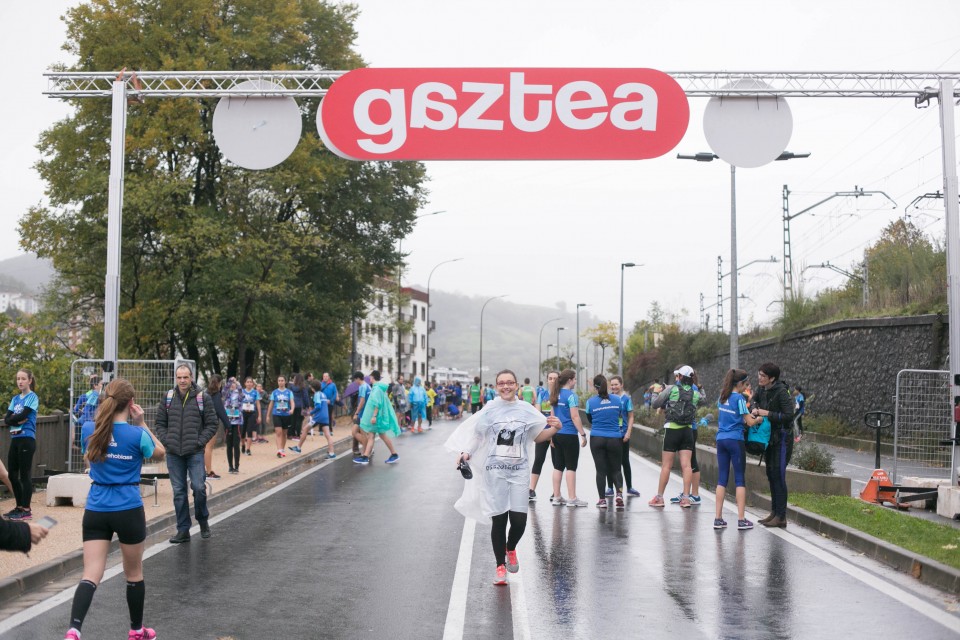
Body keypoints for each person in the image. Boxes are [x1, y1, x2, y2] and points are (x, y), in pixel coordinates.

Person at [64, 377, 165, 640]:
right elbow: (161, 452)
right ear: (131, 403)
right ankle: (136, 630)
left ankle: (74, 629)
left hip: (97, 508)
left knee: (90, 574)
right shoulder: (137, 434)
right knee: (134, 573)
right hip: (128, 508)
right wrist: (142, 422)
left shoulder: (90, 429)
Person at [447, 369, 563, 585]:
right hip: (495, 472)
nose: (506, 386)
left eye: (510, 383)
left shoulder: (526, 410)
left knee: (519, 521)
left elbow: (538, 436)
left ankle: (510, 548)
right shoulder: (489, 410)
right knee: (499, 520)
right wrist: (467, 453)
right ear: (497, 386)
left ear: (517, 385)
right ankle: (500, 566)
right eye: (501, 383)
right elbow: (479, 437)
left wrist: (555, 430)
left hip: (519, 472)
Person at [155, 364, 218, 543]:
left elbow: (212, 424)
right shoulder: (168, 397)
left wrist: (199, 441)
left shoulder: (202, 398)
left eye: (185, 377)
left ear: (191, 377)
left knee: (199, 487)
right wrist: (167, 441)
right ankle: (183, 530)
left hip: (195, 452)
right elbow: (160, 423)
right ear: (176, 378)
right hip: (174, 453)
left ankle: (202, 519)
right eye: (179, 377)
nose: (182, 380)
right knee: (179, 492)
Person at [648, 365, 701, 508]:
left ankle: (659, 498)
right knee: (687, 465)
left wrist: (655, 392)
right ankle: (685, 498)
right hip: (688, 431)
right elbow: (701, 401)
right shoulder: (696, 394)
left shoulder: (671, 389)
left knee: (666, 466)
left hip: (672, 430)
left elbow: (655, 404)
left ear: (680, 377)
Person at [714, 368, 760, 530]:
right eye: (745, 384)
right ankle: (741, 520)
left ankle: (718, 519)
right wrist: (760, 417)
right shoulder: (739, 399)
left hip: (721, 440)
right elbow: (749, 421)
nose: (746, 387)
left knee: (722, 479)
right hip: (735, 440)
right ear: (739, 383)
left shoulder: (722, 397)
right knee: (740, 479)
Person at [752, 362, 795, 528]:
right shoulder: (762, 389)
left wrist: (766, 413)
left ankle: (781, 516)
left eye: (763, 376)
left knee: (778, 475)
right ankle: (774, 512)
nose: (760, 378)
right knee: (770, 473)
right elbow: (754, 400)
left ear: (772, 378)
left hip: (782, 438)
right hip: (768, 438)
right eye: (759, 375)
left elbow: (788, 416)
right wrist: (756, 408)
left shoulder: (781, 392)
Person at [3, 369, 40, 520]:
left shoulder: (32, 397)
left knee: (24, 475)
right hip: (15, 439)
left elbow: (24, 414)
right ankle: (18, 507)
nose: (20, 381)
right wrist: (16, 420)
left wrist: (15, 418)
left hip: (27, 438)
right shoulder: (15, 399)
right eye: (18, 378)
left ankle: (26, 509)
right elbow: (7, 419)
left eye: (23, 378)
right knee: (12, 474)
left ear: (29, 380)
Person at [585, 375, 626, 510]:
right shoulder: (617, 400)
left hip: (597, 438)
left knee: (600, 470)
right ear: (606, 385)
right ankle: (619, 494)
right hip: (614, 438)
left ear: (595, 387)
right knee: (616, 469)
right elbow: (620, 414)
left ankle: (602, 500)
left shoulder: (590, 402)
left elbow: (590, 419)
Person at [550, 369, 588, 507]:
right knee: (571, 467)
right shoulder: (571, 396)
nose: (576, 381)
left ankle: (557, 496)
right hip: (569, 434)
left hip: (557, 433)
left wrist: (551, 435)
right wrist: (583, 434)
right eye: (575, 379)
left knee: (558, 466)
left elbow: (552, 416)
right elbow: (575, 416)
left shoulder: (555, 394)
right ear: (570, 380)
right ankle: (572, 498)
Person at [356, 370, 401, 464]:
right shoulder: (378, 388)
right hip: (378, 417)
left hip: (377, 418)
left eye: (370, 377)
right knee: (373, 435)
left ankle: (393, 454)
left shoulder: (377, 389)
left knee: (378, 435)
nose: (370, 379)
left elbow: (377, 404)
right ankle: (366, 456)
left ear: (373, 377)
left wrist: (374, 416)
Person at [528, 370, 558, 501]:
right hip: (543, 432)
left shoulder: (561, 395)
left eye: (555, 378)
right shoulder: (542, 394)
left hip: (557, 432)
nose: (552, 380)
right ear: (547, 380)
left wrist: (553, 432)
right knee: (539, 459)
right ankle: (531, 489)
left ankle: (555, 492)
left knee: (557, 463)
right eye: (550, 378)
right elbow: (538, 413)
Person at [608, 375, 640, 497]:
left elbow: (631, 416)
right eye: (612, 385)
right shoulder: (608, 398)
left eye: (616, 384)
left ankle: (629, 487)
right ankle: (610, 488)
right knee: (610, 462)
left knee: (624, 461)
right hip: (611, 434)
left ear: (621, 385)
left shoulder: (626, 399)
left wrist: (628, 432)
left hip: (623, 434)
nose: (613, 387)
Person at [291, 380, 336, 458]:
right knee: (328, 435)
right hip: (325, 417)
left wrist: (310, 413)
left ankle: (298, 448)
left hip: (318, 417)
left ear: (312, 388)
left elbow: (318, 406)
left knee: (305, 429)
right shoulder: (323, 394)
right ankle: (332, 453)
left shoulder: (317, 395)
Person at [205, 374, 229, 479]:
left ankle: (202, 470)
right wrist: (228, 424)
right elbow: (220, 410)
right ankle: (209, 471)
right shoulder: (216, 395)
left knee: (203, 448)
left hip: (203, 423)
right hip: (212, 424)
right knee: (208, 448)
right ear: (219, 383)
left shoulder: (205, 393)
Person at [268, 375, 295, 459]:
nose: (280, 382)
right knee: (278, 432)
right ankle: (279, 450)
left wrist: (292, 409)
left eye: (282, 380)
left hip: (286, 415)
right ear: (277, 382)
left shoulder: (289, 392)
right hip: (277, 414)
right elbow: (271, 404)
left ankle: (282, 449)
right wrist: (268, 415)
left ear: (285, 382)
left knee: (284, 433)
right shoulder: (274, 392)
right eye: (279, 380)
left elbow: (292, 402)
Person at [222, 378, 243, 474]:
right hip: (228, 422)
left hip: (237, 422)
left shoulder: (238, 393)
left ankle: (237, 466)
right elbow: (224, 390)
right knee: (229, 445)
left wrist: (238, 384)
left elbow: (241, 393)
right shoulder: (227, 394)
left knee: (236, 444)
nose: (232, 385)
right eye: (231, 383)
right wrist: (230, 381)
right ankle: (230, 466)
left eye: (234, 383)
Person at [239, 377, 261, 457]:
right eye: (247, 382)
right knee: (242, 431)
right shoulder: (241, 391)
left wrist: (259, 416)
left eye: (250, 382)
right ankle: (243, 444)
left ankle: (248, 449)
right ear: (245, 383)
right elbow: (238, 401)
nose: (249, 383)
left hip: (252, 413)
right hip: (243, 413)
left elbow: (258, 404)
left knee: (250, 430)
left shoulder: (255, 392)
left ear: (252, 383)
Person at [351, 372, 371, 458]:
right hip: (366, 412)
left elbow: (362, 402)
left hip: (363, 413)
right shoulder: (368, 386)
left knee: (363, 434)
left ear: (358, 378)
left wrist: (356, 412)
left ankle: (365, 453)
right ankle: (367, 448)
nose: (355, 381)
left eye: (355, 379)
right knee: (354, 432)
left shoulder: (362, 387)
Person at [288, 373, 309, 441]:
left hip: (292, 405)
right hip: (301, 405)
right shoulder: (303, 387)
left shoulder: (291, 387)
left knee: (292, 420)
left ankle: (292, 434)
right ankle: (297, 435)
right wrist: (307, 405)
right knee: (299, 420)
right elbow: (305, 397)